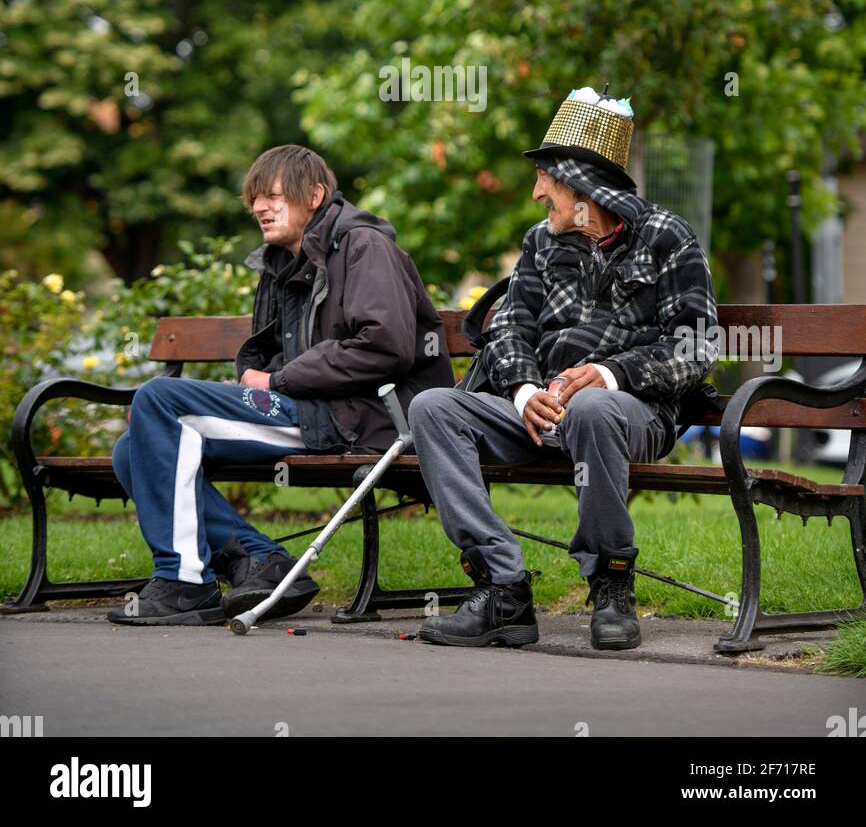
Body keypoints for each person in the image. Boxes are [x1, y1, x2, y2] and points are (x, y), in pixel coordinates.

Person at [409, 86, 719, 651]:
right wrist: (524, 390)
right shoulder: (542, 244)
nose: (534, 193)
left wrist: (608, 375)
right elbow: (508, 329)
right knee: (432, 408)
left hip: (628, 415)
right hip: (539, 414)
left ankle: (611, 582)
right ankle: (502, 587)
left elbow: (696, 348)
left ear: (581, 185)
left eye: (544, 181)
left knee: (594, 408)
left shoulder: (667, 238)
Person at [109, 143, 450, 626]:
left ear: (314, 194)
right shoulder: (282, 262)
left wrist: (280, 379)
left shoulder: (364, 247)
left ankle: (185, 582)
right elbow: (271, 357)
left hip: (366, 418)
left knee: (160, 400)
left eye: (273, 194)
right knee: (133, 449)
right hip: (310, 408)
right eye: (254, 198)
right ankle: (259, 560)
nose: (259, 207)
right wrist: (268, 379)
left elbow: (384, 347)